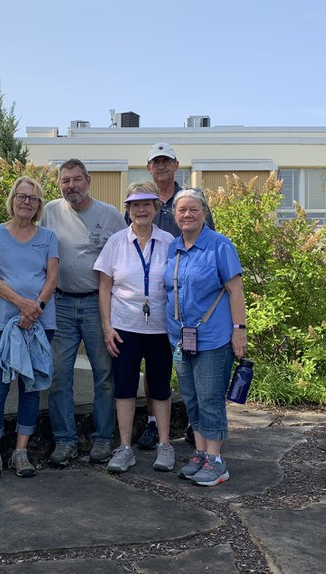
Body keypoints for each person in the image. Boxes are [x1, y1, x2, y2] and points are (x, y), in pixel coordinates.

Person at [41, 159, 127, 466]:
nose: (71, 186)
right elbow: (29, 244)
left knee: (104, 375)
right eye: (65, 181)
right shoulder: (49, 211)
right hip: (60, 303)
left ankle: (103, 440)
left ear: (88, 180)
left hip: (97, 303)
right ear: (59, 184)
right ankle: (65, 442)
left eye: (77, 180)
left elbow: (126, 256)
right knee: (58, 375)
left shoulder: (111, 215)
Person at [0, 176, 59, 483]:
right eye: (22, 197)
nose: (27, 202)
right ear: (12, 199)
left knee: (31, 388)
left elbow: (52, 278)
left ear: (39, 206)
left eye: (33, 199)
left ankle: (21, 453)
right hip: (3, 324)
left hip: (39, 323)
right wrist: (22, 304)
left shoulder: (48, 236)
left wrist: (34, 308)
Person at [163, 188, 247, 487]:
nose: (187, 215)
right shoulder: (173, 247)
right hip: (181, 339)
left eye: (193, 209)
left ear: (205, 212)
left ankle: (216, 461)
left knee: (210, 399)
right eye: (181, 210)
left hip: (213, 338)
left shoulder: (220, 246)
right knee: (191, 397)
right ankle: (199, 453)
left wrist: (239, 331)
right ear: (174, 215)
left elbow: (236, 290)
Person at [134, 142, 215, 449]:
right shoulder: (142, 201)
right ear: (149, 167)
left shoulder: (191, 200)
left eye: (166, 160)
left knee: (190, 365)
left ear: (176, 164)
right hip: (151, 302)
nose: (162, 166)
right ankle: (154, 424)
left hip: (189, 303)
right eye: (156, 161)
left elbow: (209, 242)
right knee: (154, 368)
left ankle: (199, 426)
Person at [94, 182, 176, 473]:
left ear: (155, 208)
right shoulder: (116, 242)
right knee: (125, 388)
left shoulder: (169, 241)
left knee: (161, 387)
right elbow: (105, 287)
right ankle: (125, 447)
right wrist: (107, 326)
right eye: (135, 205)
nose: (142, 210)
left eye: (147, 204)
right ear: (127, 210)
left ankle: (165, 445)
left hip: (160, 328)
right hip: (124, 328)